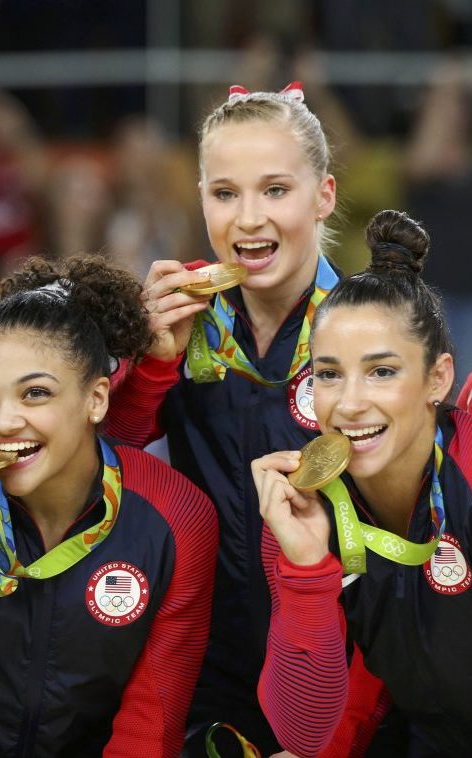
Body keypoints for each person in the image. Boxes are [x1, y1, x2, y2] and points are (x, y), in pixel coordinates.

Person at [0, 255, 217, 756]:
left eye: (35, 393)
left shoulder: (176, 515)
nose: (4, 422)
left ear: (96, 399)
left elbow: (150, 724)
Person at [103, 82, 344, 754]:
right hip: (204, 659)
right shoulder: (186, 318)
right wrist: (152, 361)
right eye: (225, 193)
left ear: (323, 195)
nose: (248, 219)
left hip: (338, 653)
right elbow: (113, 459)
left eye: (276, 190)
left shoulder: (369, 327)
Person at [253, 209, 468, 756]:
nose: (349, 404)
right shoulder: (303, 510)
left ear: (438, 378)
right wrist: (305, 567)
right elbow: (306, 733)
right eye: (329, 374)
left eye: (382, 372)